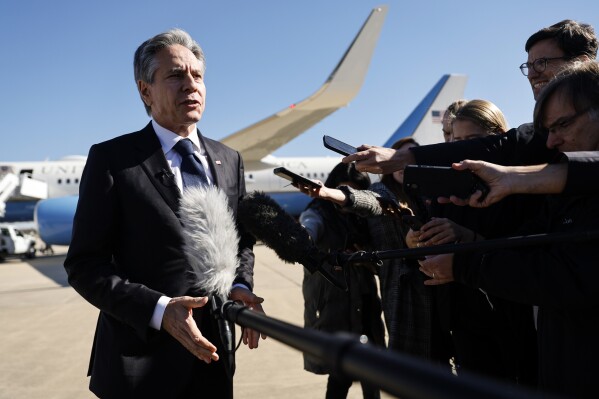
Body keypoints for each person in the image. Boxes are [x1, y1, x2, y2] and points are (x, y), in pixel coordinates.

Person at [63, 29, 265, 398]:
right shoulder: (113, 159)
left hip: (213, 357)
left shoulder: (228, 159)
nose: (191, 85)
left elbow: (242, 240)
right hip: (138, 365)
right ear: (145, 91)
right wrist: (159, 310)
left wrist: (241, 285)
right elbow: (85, 265)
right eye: (175, 75)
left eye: (197, 75)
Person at [419, 60, 599, 398]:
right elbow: (530, 243)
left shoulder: (536, 188)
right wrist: (466, 240)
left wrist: (464, 263)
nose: (551, 142)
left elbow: (565, 276)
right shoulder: (560, 195)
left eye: (561, 125)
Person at [343, 19, 598, 175]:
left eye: (541, 63)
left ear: (581, 63)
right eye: (528, 65)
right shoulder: (537, 138)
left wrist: (402, 157)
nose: (531, 74)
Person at [407, 99, 538, 386]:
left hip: (510, 316)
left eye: (472, 141)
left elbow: (530, 253)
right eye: (454, 140)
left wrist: (469, 239)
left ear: (499, 138)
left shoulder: (520, 185)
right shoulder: (445, 188)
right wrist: (417, 240)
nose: (460, 149)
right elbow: (430, 245)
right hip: (462, 317)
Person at [298, 138, 454, 366]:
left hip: (444, 292)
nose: (404, 168)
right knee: (410, 373)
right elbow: (369, 201)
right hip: (404, 298)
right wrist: (332, 194)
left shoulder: (431, 194)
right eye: (398, 161)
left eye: (410, 160)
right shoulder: (382, 192)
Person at [300, 162, 385, 399]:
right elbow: (309, 227)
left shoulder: (367, 218)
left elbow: (385, 258)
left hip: (365, 304)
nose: (344, 198)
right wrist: (303, 238)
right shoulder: (318, 211)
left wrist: (364, 259)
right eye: (340, 190)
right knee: (339, 373)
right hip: (331, 306)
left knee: (372, 372)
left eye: (353, 192)